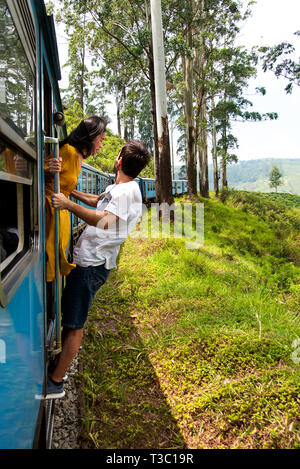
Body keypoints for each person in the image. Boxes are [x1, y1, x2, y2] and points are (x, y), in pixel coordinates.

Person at [45, 140, 151, 399]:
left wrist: (68, 205)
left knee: (75, 324)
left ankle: (55, 381)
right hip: (91, 261)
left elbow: (104, 220)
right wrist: (71, 192)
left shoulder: (126, 193)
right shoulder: (123, 188)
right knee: (72, 319)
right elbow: (99, 201)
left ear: (119, 161)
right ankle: (58, 367)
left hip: (92, 265)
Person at [45, 116, 108, 282]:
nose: (101, 145)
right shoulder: (68, 151)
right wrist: (49, 167)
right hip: (49, 211)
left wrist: (94, 198)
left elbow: (66, 186)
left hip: (59, 210)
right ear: (91, 137)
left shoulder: (77, 156)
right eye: (101, 140)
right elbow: (43, 172)